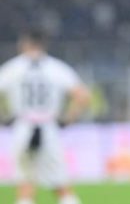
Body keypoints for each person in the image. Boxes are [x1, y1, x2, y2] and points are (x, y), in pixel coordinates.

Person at [0, 29, 91, 204]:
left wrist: (3, 116)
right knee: (61, 185)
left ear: (24, 44)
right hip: (49, 126)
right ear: (43, 45)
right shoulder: (56, 67)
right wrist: (68, 119)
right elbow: (83, 96)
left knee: (25, 184)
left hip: (22, 126)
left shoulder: (13, 67)